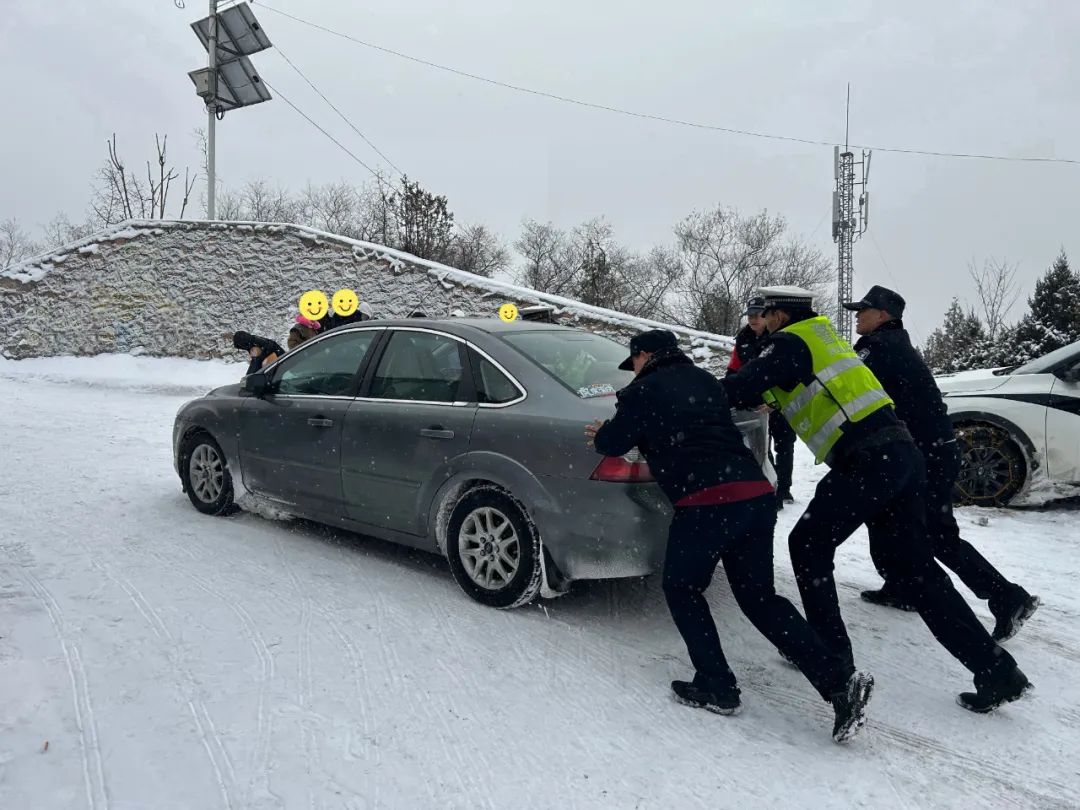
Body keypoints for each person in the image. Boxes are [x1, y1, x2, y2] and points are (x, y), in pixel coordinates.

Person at [721, 286, 1032, 713]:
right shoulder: (821, 338)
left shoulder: (789, 342)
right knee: (916, 572)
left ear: (779, 315)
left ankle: (833, 657)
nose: (761, 321)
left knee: (808, 543)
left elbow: (738, 387)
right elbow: (765, 389)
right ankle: (997, 671)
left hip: (867, 459)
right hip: (901, 455)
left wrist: (679, 387)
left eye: (766, 314)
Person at [585, 328, 874, 743]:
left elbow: (613, 442)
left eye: (634, 363)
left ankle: (716, 684)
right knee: (760, 599)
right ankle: (840, 683)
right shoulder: (706, 381)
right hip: (754, 496)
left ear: (644, 356)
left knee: (682, 588)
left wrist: (602, 432)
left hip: (707, 502)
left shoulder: (641, 391)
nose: (633, 370)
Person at [843, 285, 1040, 640]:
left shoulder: (879, 347)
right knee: (886, 517)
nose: (857, 316)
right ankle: (900, 585)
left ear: (883, 315)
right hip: (924, 451)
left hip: (927, 455)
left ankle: (1007, 597)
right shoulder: (892, 343)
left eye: (863, 310)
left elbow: (843, 384)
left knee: (937, 535)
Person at [726, 296, 796, 507]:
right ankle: (769, 487)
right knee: (761, 447)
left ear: (767, 316)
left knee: (784, 445)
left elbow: (789, 375)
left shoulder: (780, 338)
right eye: (749, 315)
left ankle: (784, 488)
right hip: (754, 404)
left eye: (757, 314)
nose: (753, 319)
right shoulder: (743, 339)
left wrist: (775, 403)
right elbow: (733, 369)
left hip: (779, 401)